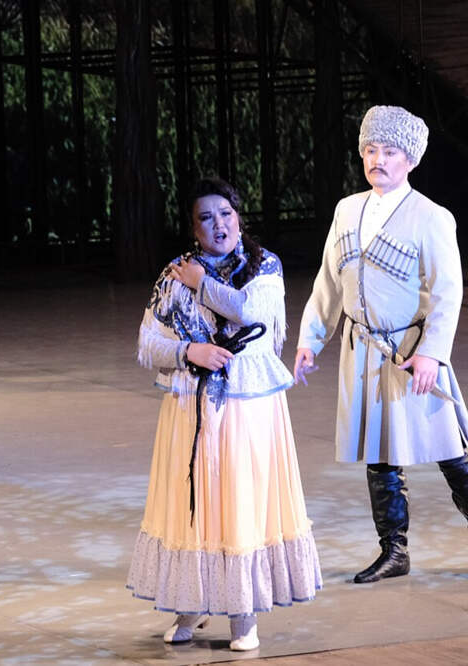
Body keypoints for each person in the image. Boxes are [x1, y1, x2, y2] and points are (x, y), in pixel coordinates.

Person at [293, 105, 468, 584]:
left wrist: (432, 353)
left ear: (411, 159)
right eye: (370, 150)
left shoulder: (431, 217)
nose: (378, 159)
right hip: (362, 351)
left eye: (389, 151)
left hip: (411, 351)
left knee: (448, 448)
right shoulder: (348, 210)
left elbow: (448, 292)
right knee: (379, 453)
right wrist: (311, 339)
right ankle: (394, 551)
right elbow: (329, 282)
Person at [126, 177, 322, 651]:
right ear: (193, 228)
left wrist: (202, 284)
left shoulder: (264, 264)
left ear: (238, 217)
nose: (218, 224)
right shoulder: (176, 273)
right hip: (192, 405)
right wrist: (189, 351)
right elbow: (147, 343)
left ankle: (243, 612)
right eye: (206, 218)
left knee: (240, 500)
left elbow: (248, 312)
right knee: (193, 503)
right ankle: (192, 602)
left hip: (247, 405)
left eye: (226, 214)